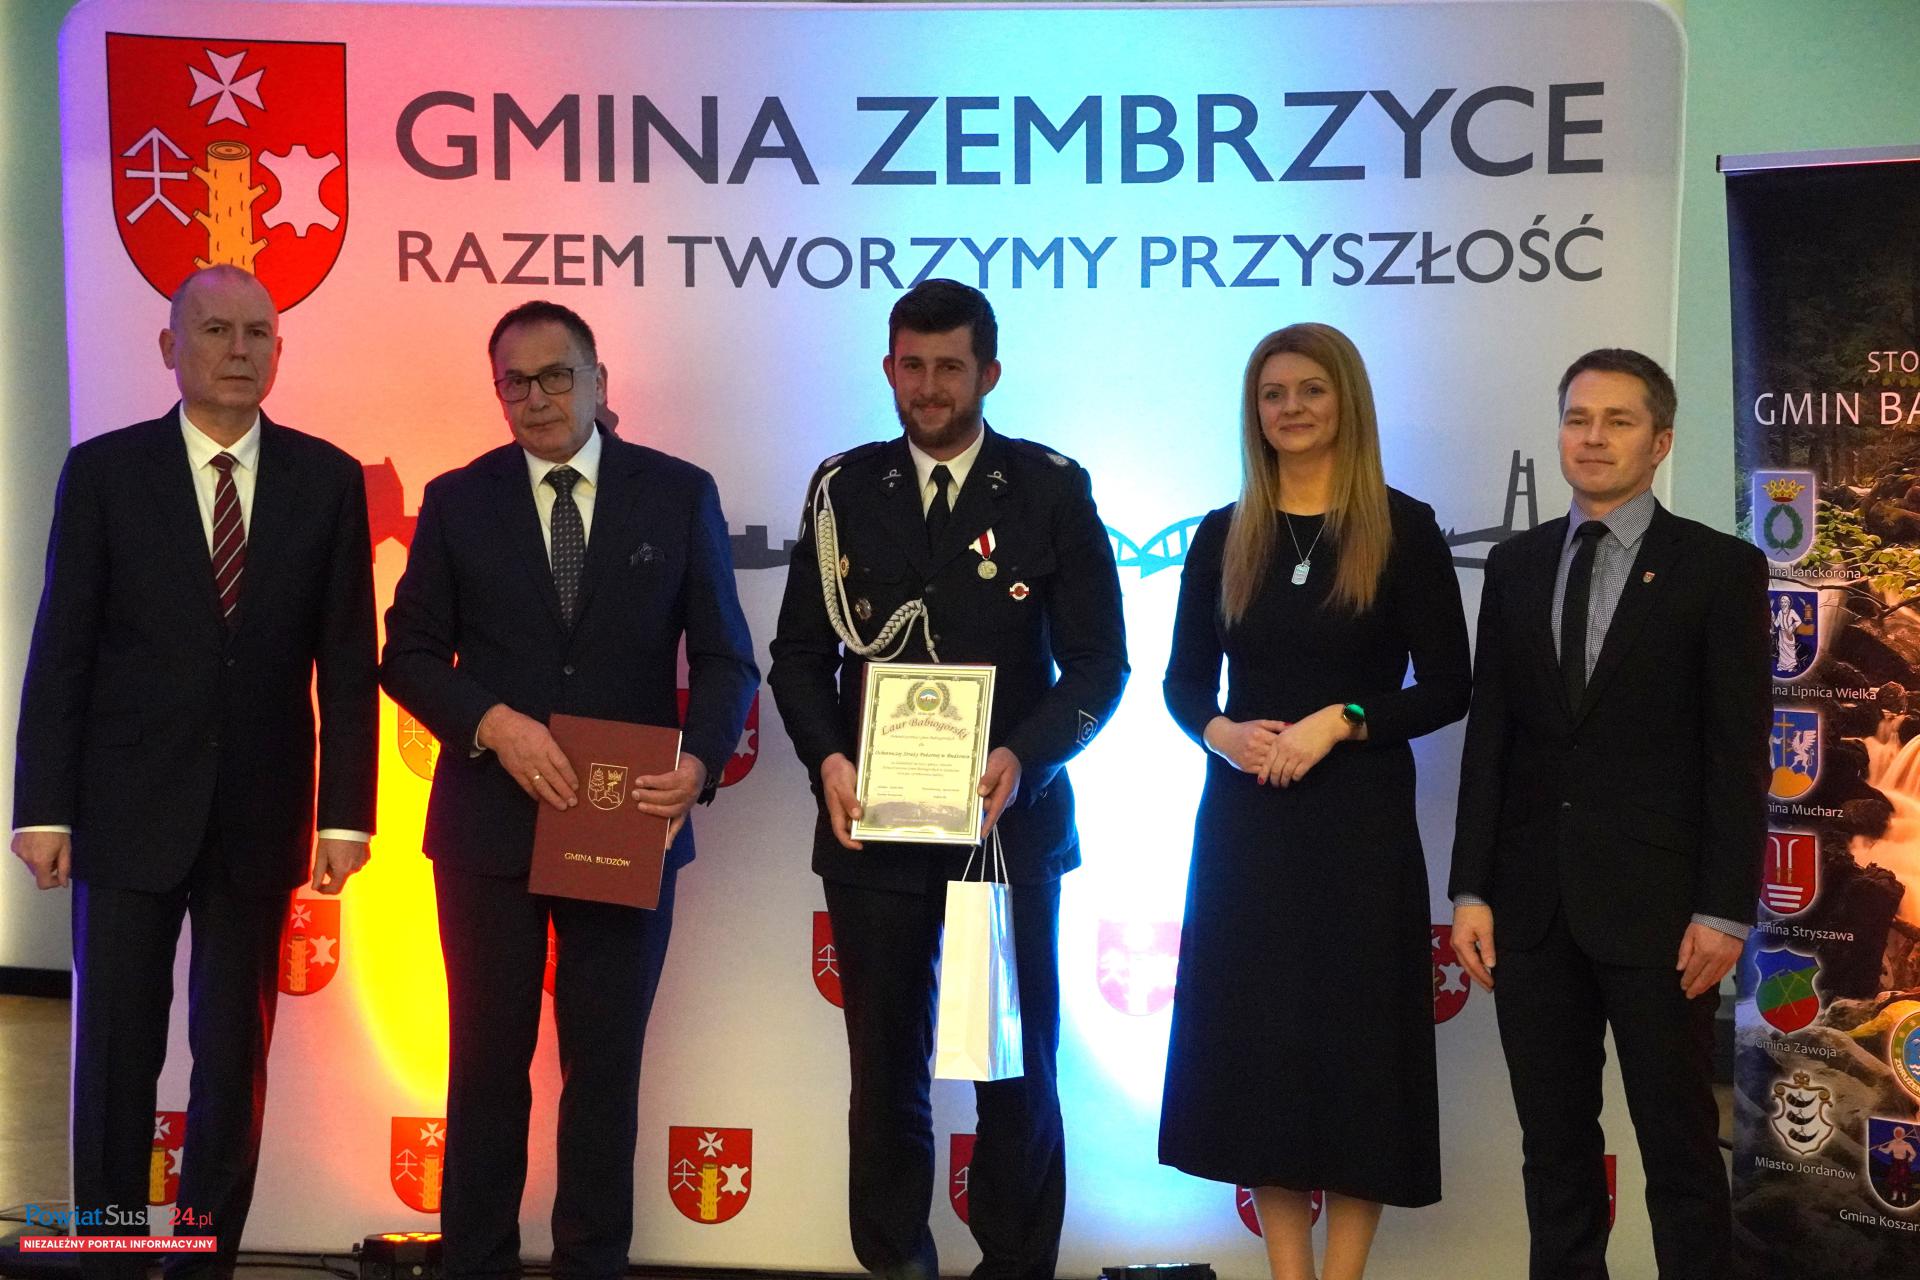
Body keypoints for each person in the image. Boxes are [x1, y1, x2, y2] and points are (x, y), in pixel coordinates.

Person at [10, 264, 377, 1277]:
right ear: (171, 348)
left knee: (232, 1060)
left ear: (279, 351)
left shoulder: (328, 478)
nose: (238, 350)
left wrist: (346, 815)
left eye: (258, 333)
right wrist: (42, 807)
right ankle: (111, 1257)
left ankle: (201, 1258)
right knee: (116, 1054)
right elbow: (63, 648)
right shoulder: (104, 472)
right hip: (124, 809)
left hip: (260, 813)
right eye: (215, 330)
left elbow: (349, 660)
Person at [380, 301, 757, 1279]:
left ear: (598, 381)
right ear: (498, 391)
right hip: (487, 828)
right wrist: (491, 722)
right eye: (516, 381)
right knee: (485, 1066)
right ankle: (476, 1262)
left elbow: (726, 658)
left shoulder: (676, 492)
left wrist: (700, 762)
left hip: (625, 822)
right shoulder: (458, 499)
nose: (537, 397)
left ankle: (592, 1264)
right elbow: (407, 652)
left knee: (604, 1068)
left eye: (557, 375)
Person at [767, 279, 1127, 1280]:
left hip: (1003, 825)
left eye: (950, 367)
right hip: (874, 828)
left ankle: (1014, 1266)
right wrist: (828, 759)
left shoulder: (1049, 489)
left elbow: (1100, 664)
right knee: (885, 1070)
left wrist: (1028, 755)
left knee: (1011, 1066)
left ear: (989, 373)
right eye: (912, 366)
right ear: (889, 369)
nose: (929, 387)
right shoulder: (844, 489)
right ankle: (896, 1264)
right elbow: (798, 657)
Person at [1448, 349, 1769, 1280]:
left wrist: (1724, 910)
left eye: (1618, 421)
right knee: (1554, 1152)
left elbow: (1737, 754)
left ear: (1660, 442)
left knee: (1680, 1152)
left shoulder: (1718, 568)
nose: (1592, 438)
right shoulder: (1515, 565)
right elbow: (1491, 739)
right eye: (1577, 418)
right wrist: (1471, 889)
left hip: (1665, 916)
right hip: (1532, 908)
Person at [1158, 322, 1470, 1280]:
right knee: (1265, 1051)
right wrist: (1221, 733)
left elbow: (1449, 686)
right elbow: (1182, 685)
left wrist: (1345, 718)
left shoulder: (1402, 527)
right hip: (1249, 827)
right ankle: (1289, 1271)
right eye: (1273, 394)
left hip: (1360, 829)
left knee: (1358, 1049)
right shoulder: (1224, 532)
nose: (1290, 408)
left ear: (1347, 402)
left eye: (1310, 390)